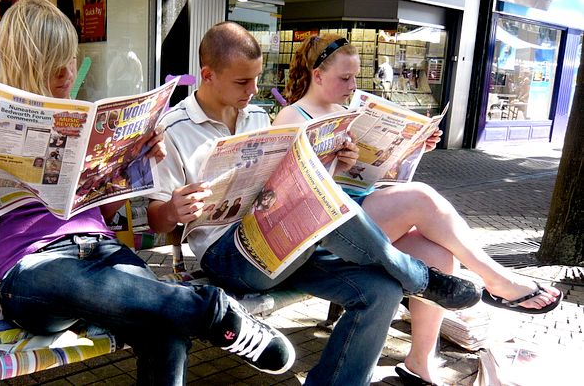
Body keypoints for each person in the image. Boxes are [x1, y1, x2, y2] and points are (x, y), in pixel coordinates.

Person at [0, 0, 295, 383]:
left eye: (71, 61)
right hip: (34, 269)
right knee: (82, 280)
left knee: (165, 330)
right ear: (27, 65)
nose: (69, 74)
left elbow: (106, 214)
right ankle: (215, 313)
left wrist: (132, 163)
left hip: (103, 252)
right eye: (57, 68)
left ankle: (206, 314)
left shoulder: (84, 119)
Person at [147, 22, 481, 386]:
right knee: (320, 204)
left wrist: (326, 161)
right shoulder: (174, 127)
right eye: (242, 82)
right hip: (229, 256)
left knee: (379, 291)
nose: (254, 90)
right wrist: (173, 210)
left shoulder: (257, 115)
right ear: (207, 75)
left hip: (282, 244)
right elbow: (157, 221)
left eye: (257, 79)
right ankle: (418, 278)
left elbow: (281, 181)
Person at [274, 34, 562, 385]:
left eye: (355, 78)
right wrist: (333, 164)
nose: (352, 86)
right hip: (323, 230)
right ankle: (497, 279)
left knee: (439, 258)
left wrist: (413, 149)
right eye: (344, 78)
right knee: (421, 197)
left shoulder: (347, 113)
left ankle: (419, 362)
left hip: (364, 217)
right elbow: (285, 192)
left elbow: (383, 175)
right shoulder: (292, 115)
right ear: (318, 75)